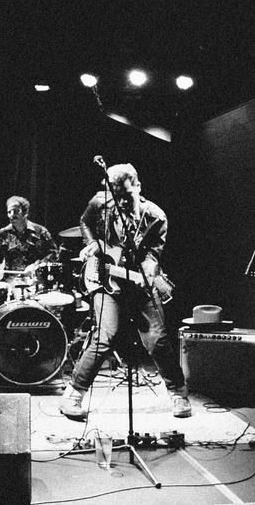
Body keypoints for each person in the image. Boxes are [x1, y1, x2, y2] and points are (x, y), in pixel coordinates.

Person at [60, 163, 192, 419]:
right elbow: (85, 222)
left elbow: (153, 254)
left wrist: (147, 271)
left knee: (157, 339)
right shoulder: (99, 203)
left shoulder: (156, 216)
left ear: (138, 187)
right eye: (114, 195)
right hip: (104, 278)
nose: (118, 202)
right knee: (104, 336)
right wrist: (94, 245)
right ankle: (74, 394)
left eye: (124, 195)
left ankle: (178, 393)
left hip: (136, 280)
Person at [0, 195, 58, 280]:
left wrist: (36, 266)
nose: (12, 215)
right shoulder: (3, 234)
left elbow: (54, 254)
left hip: (35, 281)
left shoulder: (40, 231)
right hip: (10, 282)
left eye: (15, 211)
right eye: (9, 212)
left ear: (25, 212)